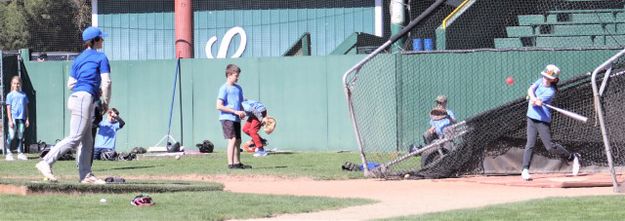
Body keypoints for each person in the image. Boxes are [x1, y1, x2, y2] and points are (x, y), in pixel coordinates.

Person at [35, 27, 112, 184]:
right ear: (94, 40)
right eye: (100, 38)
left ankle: (86, 176)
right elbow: (107, 82)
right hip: (84, 99)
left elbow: (71, 84)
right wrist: (105, 102)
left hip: (77, 97)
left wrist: (87, 85)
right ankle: (46, 162)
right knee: (75, 138)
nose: (102, 40)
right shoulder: (101, 57)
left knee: (87, 140)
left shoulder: (78, 59)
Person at [521, 64, 580, 181]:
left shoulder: (550, 92)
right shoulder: (539, 81)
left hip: (542, 120)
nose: (545, 79)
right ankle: (525, 169)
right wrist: (533, 97)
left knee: (550, 147)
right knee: (530, 144)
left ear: (554, 80)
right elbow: (530, 90)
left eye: (548, 77)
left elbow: (534, 103)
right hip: (531, 118)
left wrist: (534, 100)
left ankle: (573, 157)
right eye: (544, 76)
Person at [216, 64, 251, 169]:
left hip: (236, 119)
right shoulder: (224, 88)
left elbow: (241, 104)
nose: (237, 77)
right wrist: (235, 112)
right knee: (232, 139)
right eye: (236, 75)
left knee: (238, 140)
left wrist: (243, 112)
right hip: (227, 118)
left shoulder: (238, 88)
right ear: (229, 75)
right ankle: (230, 164)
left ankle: (237, 163)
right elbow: (219, 106)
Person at [5, 76, 30, 161]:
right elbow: (8, 108)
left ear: (20, 84)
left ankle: (20, 153)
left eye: (18, 83)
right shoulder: (10, 95)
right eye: (14, 83)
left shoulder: (23, 95)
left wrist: (27, 119)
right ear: (12, 84)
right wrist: (10, 120)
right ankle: (8, 152)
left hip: (21, 119)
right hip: (13, 118)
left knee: (20, 135)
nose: (16, 85)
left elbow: (26, 108)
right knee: (11, 136)